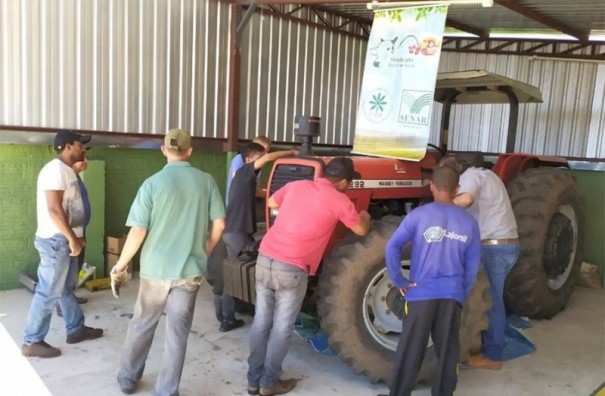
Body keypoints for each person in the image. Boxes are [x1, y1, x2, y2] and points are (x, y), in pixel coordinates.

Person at [111, 129, 225, 396]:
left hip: (155, 271)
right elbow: (220, 223)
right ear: (190, 151)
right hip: (189, 272)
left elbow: (138, 231)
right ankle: (166, 391)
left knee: (141, 325)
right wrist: (205, 249)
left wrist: (121, 264)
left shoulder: (151, 184)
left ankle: (128, 379)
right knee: (177, 334)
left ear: (164, 150)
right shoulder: (206, 181)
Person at [247, 157, 371, 396]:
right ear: (344, 182)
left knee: (262, 321)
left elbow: (272, 201)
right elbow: (361, 229)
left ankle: (253, 380)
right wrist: (364, 214)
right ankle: (269, 383)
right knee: (282, 327)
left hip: (265, 257)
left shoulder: (297, 186)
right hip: (292, 269)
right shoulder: (340, 200)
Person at [383, 166, 481, 396]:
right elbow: (472, 268)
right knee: (448, 351)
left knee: (410, 349)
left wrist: (399, 280)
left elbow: (392, 246)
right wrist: (460, 293)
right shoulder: (469, 223)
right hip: (452, 295)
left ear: (432, 186)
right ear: (457, 189)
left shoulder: (419, 215)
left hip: (420, 295)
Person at [21, 130, 103, 359]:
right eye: (80, 144)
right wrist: (71, 238)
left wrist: (78, 234)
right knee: (48, 292)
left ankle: (76, 329)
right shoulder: (55, 170)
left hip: (66, 238)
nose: (83, 149)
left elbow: (73, 207)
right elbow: (55, 209)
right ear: (67, 146)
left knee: (65, 288)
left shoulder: (67, 171)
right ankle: (31, 340)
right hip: (56, 241)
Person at [439, 154, 520, 370]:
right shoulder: (490, 176)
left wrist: (434, 212)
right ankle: (484, 343)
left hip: (493, 247)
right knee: (492, 296)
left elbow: (465, 200)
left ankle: (493, 355)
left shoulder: (472, 175)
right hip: (505, 244)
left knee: (492, 300)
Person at [219, 142, 298, 332]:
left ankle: (228, 316)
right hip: (237, 233)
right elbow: (269, 158)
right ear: (248, 160)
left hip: (234, 231)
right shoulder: (245, 171)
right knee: (257, 273)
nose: (262, 161)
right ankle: (253, 317)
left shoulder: (245, 178)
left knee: (234, 274)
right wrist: (293, 152)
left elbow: (257, 193)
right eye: (258, 157)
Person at [225, 135, 271, 203]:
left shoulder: (257, 165)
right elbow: (241, 185)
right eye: (263, 150)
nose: (265, 155)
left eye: (267, 152)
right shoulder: (239, 160)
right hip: (237, 204)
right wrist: (264, 193)